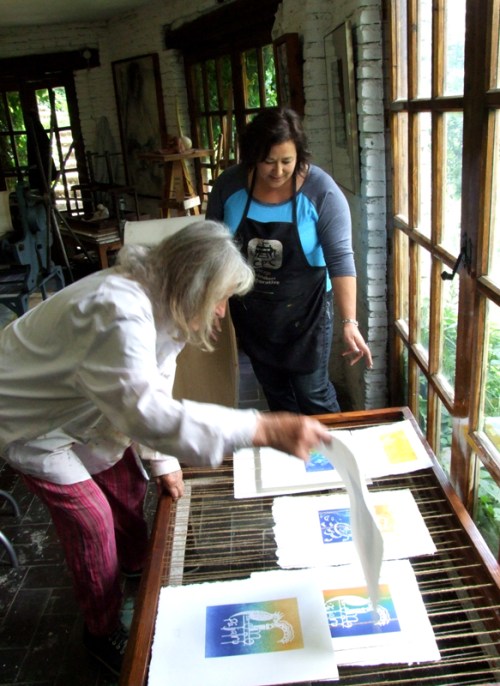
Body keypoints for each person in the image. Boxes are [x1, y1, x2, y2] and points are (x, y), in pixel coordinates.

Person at [0, 220, 331, 676]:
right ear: (193, 286)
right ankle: (100, 630)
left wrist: (162, 461)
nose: (221, 313)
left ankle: (139, 567)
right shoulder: (116, 311)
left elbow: (155, 386)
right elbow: (146, 412)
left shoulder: (164, 300)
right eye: (219, 299)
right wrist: (261, 428)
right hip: (28, 417)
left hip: (82, 405)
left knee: (127, 485)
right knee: (91, 521)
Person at [206, 107, 372, 414]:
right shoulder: (229, 186)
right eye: (268, 161)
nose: (278, 171)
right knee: (276, 393)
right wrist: (216, 298)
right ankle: (290, 445)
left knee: (313, 394)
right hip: (253, 312)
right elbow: (214, 247)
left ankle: (333, 445)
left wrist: (350, 322)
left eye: (287, 161)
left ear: (300, 155)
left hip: (306, 314)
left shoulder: (321, 192)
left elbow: (340, 259)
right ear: (252, 156)